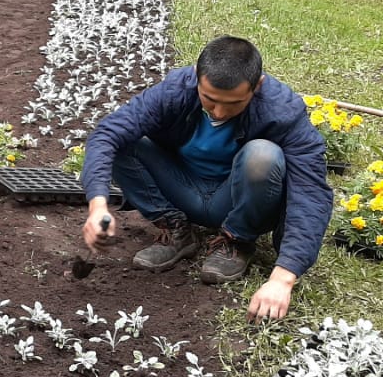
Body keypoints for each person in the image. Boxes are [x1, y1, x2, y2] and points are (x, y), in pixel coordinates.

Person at [80, 36, 332, 322]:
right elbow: (106, 135)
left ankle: (237, 240)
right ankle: (176, 230)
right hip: (182, 188)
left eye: (234, 103)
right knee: (123, 141)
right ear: (196, 78)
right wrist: (98, 205)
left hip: (236, 199)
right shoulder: (175, 90)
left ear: (257, 86)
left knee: (263, 155)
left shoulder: (282, 110)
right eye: (209, 100)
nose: (220, 111)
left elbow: (310, 192)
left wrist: (283, 278)